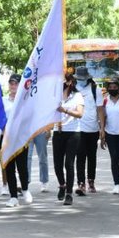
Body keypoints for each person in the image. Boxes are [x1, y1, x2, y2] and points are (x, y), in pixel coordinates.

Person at [53, 73, 84, 206]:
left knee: (69, 164)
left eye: (65, 80)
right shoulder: (55, 95)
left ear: (71, 82)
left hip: (73, 133)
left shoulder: (77, 96)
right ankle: (62, 184)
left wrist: (65, 110)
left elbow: (80, 114)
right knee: (57, 164)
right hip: (58, 131)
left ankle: (69, 193)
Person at [3, 73, 34, 207]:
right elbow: (0, 118)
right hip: (8, 139)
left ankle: (25, 189)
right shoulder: (3, 100)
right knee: (9, 168)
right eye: (11, 83)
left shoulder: (25, 100)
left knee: (22, 167)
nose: (13, 86)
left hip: (21, 138)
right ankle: (13, 196)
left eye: (16, 83)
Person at [73, 66, 103, 195]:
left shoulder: (95, 90)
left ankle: (91, 181)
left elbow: (100, 109)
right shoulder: (73, 89)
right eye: (78, 78)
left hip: (93, 129)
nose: (80, 80)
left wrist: (102, 128)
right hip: (78, 129)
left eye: (82, 78)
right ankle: (81, 183)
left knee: (92, 156)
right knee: (80, 156)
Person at [99, 76, 119, 195]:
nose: (112, 89)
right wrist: (102, 133)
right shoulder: (105, 100)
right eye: (110, 87)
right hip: (110, 133)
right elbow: (103, 117)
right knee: (114, 158)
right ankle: (116, 183)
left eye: (115, 87)